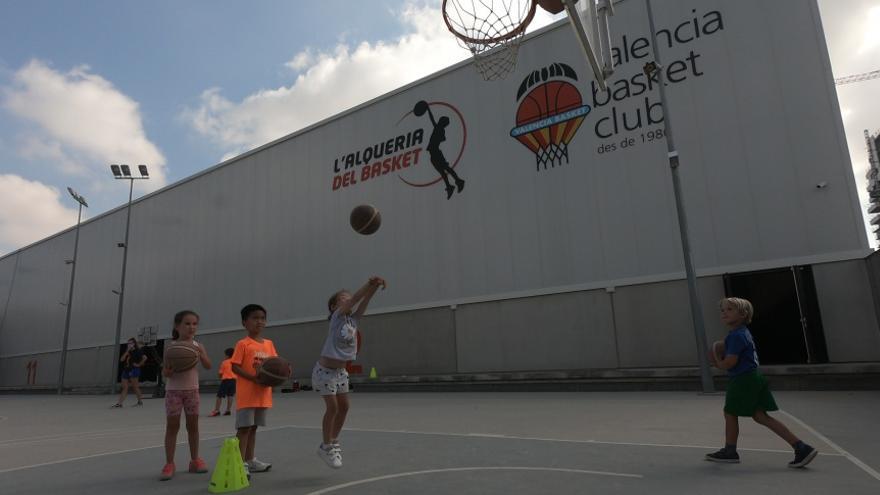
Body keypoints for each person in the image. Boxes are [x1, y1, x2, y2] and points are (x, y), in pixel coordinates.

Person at [706, 297, 818, 468]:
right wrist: (722, 347)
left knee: (730, 413)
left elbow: (730, 363)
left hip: (743, 380)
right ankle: (801, 447)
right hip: (754, 377)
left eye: (729, 309)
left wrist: (716, 362)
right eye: (722, 310)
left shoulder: (736, 336)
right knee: (760, 416)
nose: (724, 313)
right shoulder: (742, 333)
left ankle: (730, 451)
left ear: (743, 314)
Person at [313, 276, 385, 469]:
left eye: (348, 298)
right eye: (342, 299)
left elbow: (364, 301)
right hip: (324, 371)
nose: (348, 300)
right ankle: (326, 446)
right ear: (334, 307)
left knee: (344, 407)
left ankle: (333, 441)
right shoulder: (337, 317)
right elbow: (355, 300)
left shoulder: (354, 320)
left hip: (340, 373)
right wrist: (369, 283)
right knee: (333, 408)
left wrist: (375, 287)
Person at [160, 310, 212, 480]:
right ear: (177, 326)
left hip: (192, 391)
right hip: (173, 391)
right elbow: (165, 373)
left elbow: (208, 366)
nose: (191, 327)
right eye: (187, 323)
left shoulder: (198, 346)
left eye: (194, 324)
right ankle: (169, 463)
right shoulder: (172, 347)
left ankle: (195, 460)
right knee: (172, 426)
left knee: (193, 426)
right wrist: (167, 372)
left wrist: (201, 354)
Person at [230, 304, 277, 476]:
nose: (259, 321)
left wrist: (284, 370)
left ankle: (250, 460)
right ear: (245, 322)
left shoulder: (269, 344)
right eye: (255, 318)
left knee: (254, 427)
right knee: (244, 429)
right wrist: (254, 378)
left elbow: (275, 365)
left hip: (263, 394)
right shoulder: (243, 344)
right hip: (247, 395)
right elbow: (234, 367)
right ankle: (238, 462)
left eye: (262, 318)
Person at [422, 105, 465, 199]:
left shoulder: (439, 129)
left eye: (441, 121)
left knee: (445, 169)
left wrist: (428, 110)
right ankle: (451, 185)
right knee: (443, 171)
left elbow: (432, 119)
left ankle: (458, 181)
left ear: (442, 122)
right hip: (433, 154)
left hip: (436, 153)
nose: (438, 121)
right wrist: (428, 110)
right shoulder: (439, 129)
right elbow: (433, 120)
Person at [112, 338, 147, 407]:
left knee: (135, 387)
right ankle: (119, 403)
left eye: (130, 343)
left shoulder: (138, 351)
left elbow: (145, 358)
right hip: (126, 370)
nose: (129, 344)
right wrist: (127, 351)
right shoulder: (128, 351)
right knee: (125, 387)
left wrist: (138, 364)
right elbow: (122, 359)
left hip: (134, 370)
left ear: (134, 344)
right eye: (128, 343)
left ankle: (140, 401)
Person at [210, 348, 236, 417]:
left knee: (219, 395)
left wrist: (220, 377)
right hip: (234, 381)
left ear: (227, 355)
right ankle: (228, 410)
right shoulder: (235, 362)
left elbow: (220, 373)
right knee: (230, 395)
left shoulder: (225, 362)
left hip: (226, 380)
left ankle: (217, 410)